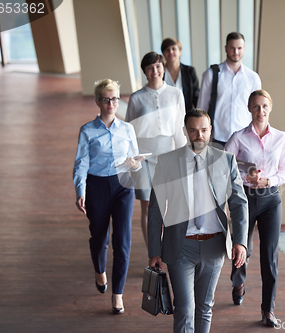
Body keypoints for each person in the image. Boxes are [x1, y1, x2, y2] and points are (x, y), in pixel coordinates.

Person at [148, 109, 248, 333]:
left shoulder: (226, 160)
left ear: (210, 131)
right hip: (180, 245)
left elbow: (239, 203)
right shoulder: (167, 162)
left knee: (204, 306)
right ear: (185, 131)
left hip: (215, 246)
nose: (199, 136)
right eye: (193, 131)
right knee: (184, 307)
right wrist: (154, 249)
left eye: (203, 130)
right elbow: (155, 210)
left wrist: (240, 241)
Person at [73, 79, 144, 314]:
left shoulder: (127, 129)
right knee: (99, 238)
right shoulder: (88, 130)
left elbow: (134, 161)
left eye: (115, 98)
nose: (112, 103)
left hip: (123, 186)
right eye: (106, 99)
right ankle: (99, 269)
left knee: (122, 243)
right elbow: (81, 164)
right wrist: (80, 191)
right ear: (98, 102)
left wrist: (135, 164)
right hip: (97, 186)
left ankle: (118, 294)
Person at [225, 90, 285, 327]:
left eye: (264, 106)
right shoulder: (239, 137)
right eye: (255, 106)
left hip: (271, 199)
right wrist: (246, 173)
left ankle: (268, 310)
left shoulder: (281, 137)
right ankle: (238, 282)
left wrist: (268, 181)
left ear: (270, 107)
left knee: (270, 255)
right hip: (244, 198)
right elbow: (225, 164)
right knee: (243, 249)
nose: (260, 111)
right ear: (249, 109)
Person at [125, 52, 187, 247]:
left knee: (167, 204)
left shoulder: (176, 94)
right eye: (150, 68)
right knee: (147, 205)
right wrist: (132, 159)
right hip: (143, 157)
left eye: (158, 66)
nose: (155, 71)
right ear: (144, 71)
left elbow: (180, 128)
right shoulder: (136, 98)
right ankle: (153, 249)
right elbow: (129, 131)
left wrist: (183, 155)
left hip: (168, 154)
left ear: (164, 68)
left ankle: (167, 247)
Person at [197, 32, 262, 147]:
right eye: (232, 48)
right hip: (217, 137)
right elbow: (202, 107)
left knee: (242, 166)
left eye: (239, 48)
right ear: (226, 48)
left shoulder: (252, 78)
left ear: (244, 49)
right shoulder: (211, 74)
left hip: (245, 138)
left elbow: (258, 108)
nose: (236, 52)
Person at [161, 38, 200, 112]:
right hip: (165, 115)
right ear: (163, 53)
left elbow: (196, 96)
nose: (171, 52)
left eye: (173, 49)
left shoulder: (189, 71)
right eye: (167, 50)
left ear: (180, 52)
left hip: (185, 115)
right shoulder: (159, 72)